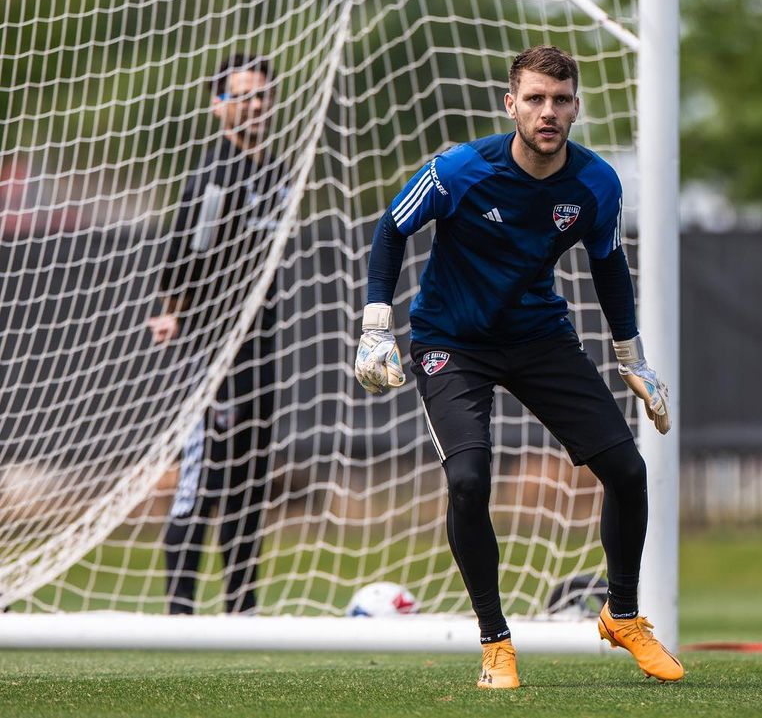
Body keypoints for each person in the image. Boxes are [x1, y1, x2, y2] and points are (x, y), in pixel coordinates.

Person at [354, 45, 684, 688]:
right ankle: (496, 643)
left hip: (538, 336)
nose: (548, 111)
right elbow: (392, 229)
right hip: (453, 340)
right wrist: (374, 326)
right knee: (470, 480)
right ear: (512, 105)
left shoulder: (597, 184)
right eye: (534, 98)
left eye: (560, 100)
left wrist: (630, 355)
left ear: (575, 108)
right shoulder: (458, 171)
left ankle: (622, 616)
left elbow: (609, 264)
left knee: (628, 469)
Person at [148, 54, 288, 615]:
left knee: (251, 477)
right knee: (203, 476)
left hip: (262, 342)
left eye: (260, 96)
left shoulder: (277, 168)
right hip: (213, 346)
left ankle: (243, 606)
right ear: (218, 106)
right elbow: (188, 248)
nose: (252, 106)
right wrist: (171, 308)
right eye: (241, 96)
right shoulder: (215, 173)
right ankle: (180, 609)